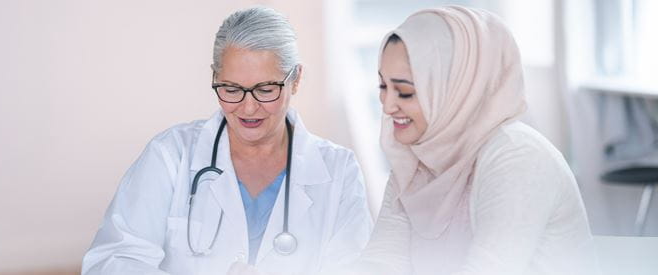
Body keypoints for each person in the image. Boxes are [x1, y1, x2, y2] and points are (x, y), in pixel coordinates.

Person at [82, 6, 372, 275]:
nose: (247, 108)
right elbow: (112, 262)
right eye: (232, 89)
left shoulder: (339, 170)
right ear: (214, 77)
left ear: (295, 79)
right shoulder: (171, 155)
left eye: (265, 89)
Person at [347, 6, 597, 275]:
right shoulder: (417, 161)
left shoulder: (518, 159)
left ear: (455, 89)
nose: (388, 106)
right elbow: (380, 262)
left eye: (405, 92)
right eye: (383, 87)